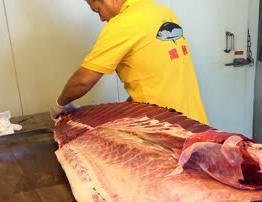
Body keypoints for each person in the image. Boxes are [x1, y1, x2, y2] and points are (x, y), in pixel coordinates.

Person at [50, 0, 208, 124]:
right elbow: (158, 77)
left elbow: (83, 81)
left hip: (168, 128)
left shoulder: (122, 23)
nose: (102, 18)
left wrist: (61, 104)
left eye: (98, 10)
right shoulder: (162, 12)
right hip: (195, 122)